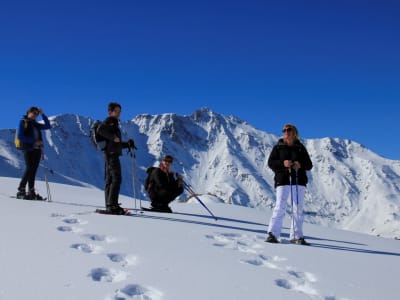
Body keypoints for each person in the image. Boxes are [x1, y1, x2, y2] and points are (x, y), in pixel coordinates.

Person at [266, 124, 313, 245]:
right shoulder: (278, 147)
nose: (286, 132)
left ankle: (297, 236)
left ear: (294, 132)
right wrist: (283, 163)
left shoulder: (300, 148)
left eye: (289, 130)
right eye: (284, 130)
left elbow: (309, 164)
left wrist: (300, 164)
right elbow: (271, 163)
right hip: (283, 179)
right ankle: (273, 234)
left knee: (297, 208)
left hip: (298, 180)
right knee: (280, 206)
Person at [97, 102, 135, 215]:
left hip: (110, 153)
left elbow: (115, 143)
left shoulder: (114, 123)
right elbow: (100, 130)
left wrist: (127, 144)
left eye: (119, 111)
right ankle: (112, 206)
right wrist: (113, 137)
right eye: (116, 111)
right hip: (111, 155)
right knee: (116, 178)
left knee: (109, 180)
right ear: (110, 112)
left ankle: (110, 205)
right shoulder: (110, 121)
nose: (118, 114)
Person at [16, 106, 51, 200]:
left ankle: (31, 191)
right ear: (29, 112)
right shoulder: (23, 122)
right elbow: (20, 136)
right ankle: (21, 189)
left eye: (37, 114)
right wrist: (33, 141)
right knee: (29, 168)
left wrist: (43, 114)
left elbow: (48, 125)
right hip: (28, 148)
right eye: (34, 113)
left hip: (37, 150)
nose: (35, 115)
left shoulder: (36, 124)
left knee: (33, 170)